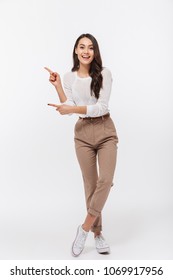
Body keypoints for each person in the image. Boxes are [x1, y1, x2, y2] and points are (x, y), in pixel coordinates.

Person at [45, 33, 118, 257]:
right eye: (82, 47)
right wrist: (58, 85)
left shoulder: (105, 73)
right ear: (76, 51)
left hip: (105, 130)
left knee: (105, 181)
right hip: (82, 134)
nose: (86, 51)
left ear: (95, 52)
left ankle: (84, 228)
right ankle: (98, 233)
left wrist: (73, 109)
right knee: (91, 184)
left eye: (90, 47)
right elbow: (70, 105)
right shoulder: (69, 77)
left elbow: (102, 107)